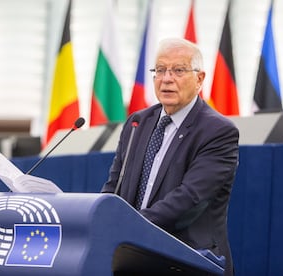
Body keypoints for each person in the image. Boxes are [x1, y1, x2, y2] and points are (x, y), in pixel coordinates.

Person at [101, 37, 239, 275]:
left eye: (178, 70)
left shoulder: (218, 131)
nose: (167, 79)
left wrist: (130, 227)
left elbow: (190, 199)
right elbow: (115, 186)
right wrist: (99, 216)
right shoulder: (137, 122)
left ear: (200, 79)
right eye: (160, 70)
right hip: (133, 256)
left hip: (188, 260)